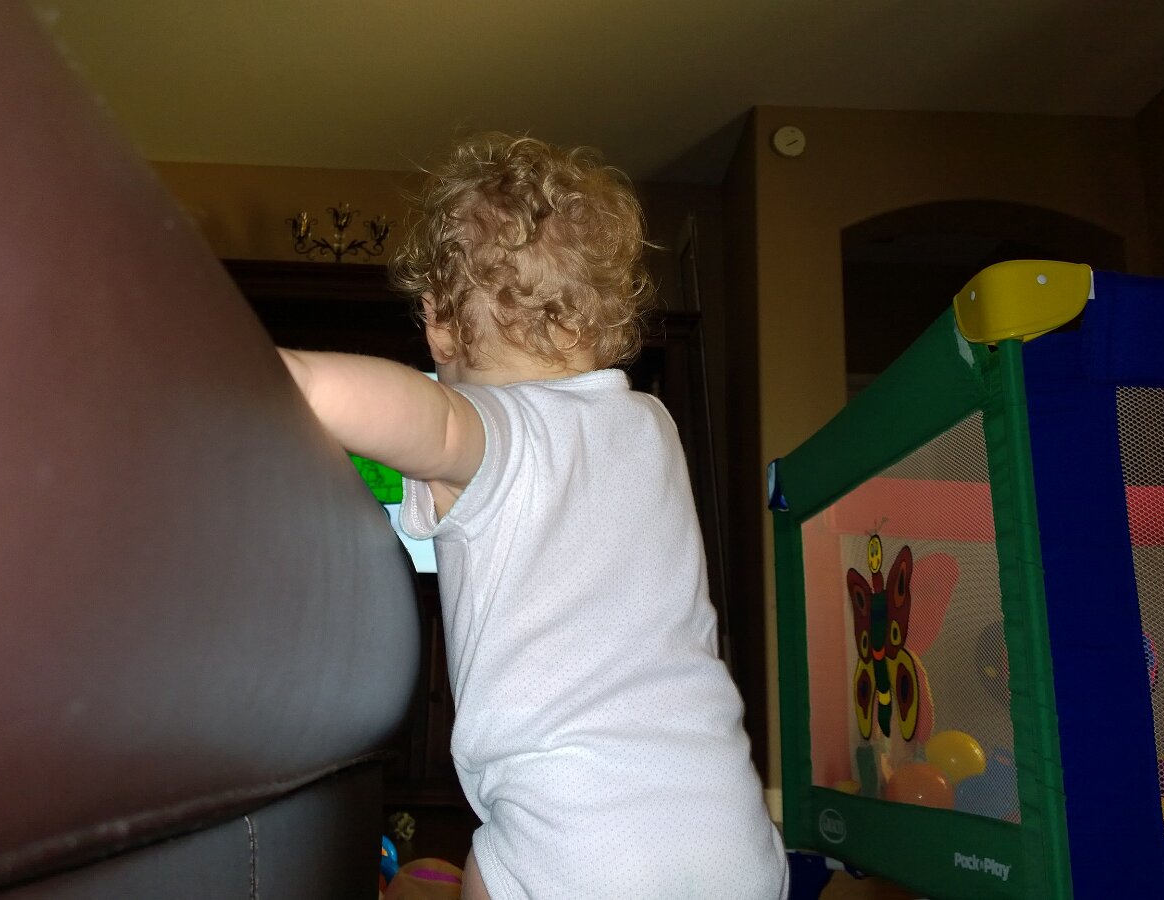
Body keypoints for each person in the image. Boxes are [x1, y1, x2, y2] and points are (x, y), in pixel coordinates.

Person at [280, 132, 786, 900]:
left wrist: (283, 381)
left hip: (574, 837)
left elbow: (426, 419)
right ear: (600, 318)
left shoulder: (495, 430)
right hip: (732, 830)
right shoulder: (652, 427)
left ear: (437, 322)